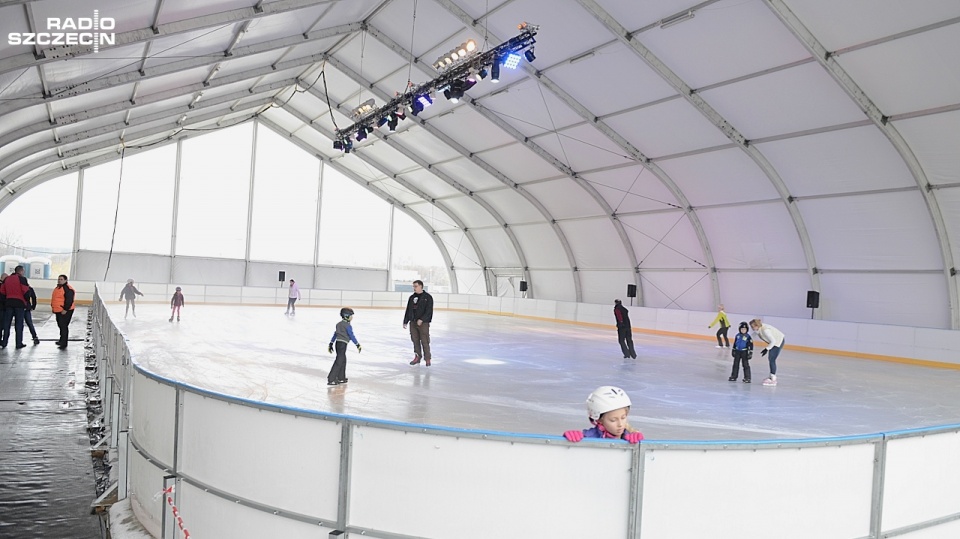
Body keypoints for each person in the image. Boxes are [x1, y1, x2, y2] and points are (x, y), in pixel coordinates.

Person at [563, 386, 644, 443]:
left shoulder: (630, 437)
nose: (620, 424)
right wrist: (568, 441)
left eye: (623, 417)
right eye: (613, 420)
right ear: (599, 420)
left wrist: (639, 445)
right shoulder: (588, 438)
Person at [327, 307, 361, 386]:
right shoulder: (347, 326)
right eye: (351, 315)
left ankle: (341, 377)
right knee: (339, 361)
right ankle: (331, 379)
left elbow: (335, 334)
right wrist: (357, 344)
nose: (352, 317)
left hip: (338, 344)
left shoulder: (338, 324)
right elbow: (351, 335)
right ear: (346, 316)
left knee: (343, 360)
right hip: (342, 345)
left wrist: (331, 343)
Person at [403, 279, 433, 366]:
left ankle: (427, 358)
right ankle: (417, 357)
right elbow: (408, 310)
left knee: (425, 341)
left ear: (421, 286)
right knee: (415, 340)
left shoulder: (428, 297)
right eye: (413, 286)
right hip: (413, 322)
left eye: (415, 286)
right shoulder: (412, 298)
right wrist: (405, 321)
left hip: (423, 323)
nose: (414, 288)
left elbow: (429, 311)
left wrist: (422, 319)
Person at [0, 265, 31, 349]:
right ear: (21, 271)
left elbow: (2, 292)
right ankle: (18, 343)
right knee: (19, 324)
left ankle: (4, 342)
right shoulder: (22, 279)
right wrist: (27, 301)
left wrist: (6, 301)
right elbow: (26, 291)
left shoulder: (7, 279)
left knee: (7, 324)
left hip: (9, 303)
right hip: (19, 304)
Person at [750, 318, 785, 386]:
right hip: (774, 342)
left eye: (753, 326)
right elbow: (753, 335)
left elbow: (773, 341)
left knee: (772, 359)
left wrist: (767, 349)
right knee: (771, 359)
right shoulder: (759, 329)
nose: (752, 328)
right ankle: (771, 376)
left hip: (778, 341)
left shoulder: (765, 330)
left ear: (757, 325)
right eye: (751, 327)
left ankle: (773, 378)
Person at [51, 274, 76, 349]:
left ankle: (64, 343)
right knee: (60, 326)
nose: (59, 280)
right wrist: (53, 307)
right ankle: (61, 340)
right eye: (59, 279)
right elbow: (55, 299)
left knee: (63, 326)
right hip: (58, 310)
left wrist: (65, 309)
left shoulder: (68, 289)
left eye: (61, 279)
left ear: (65, 280)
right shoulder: (58, 288)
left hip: (65, 310)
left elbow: (69, 300)